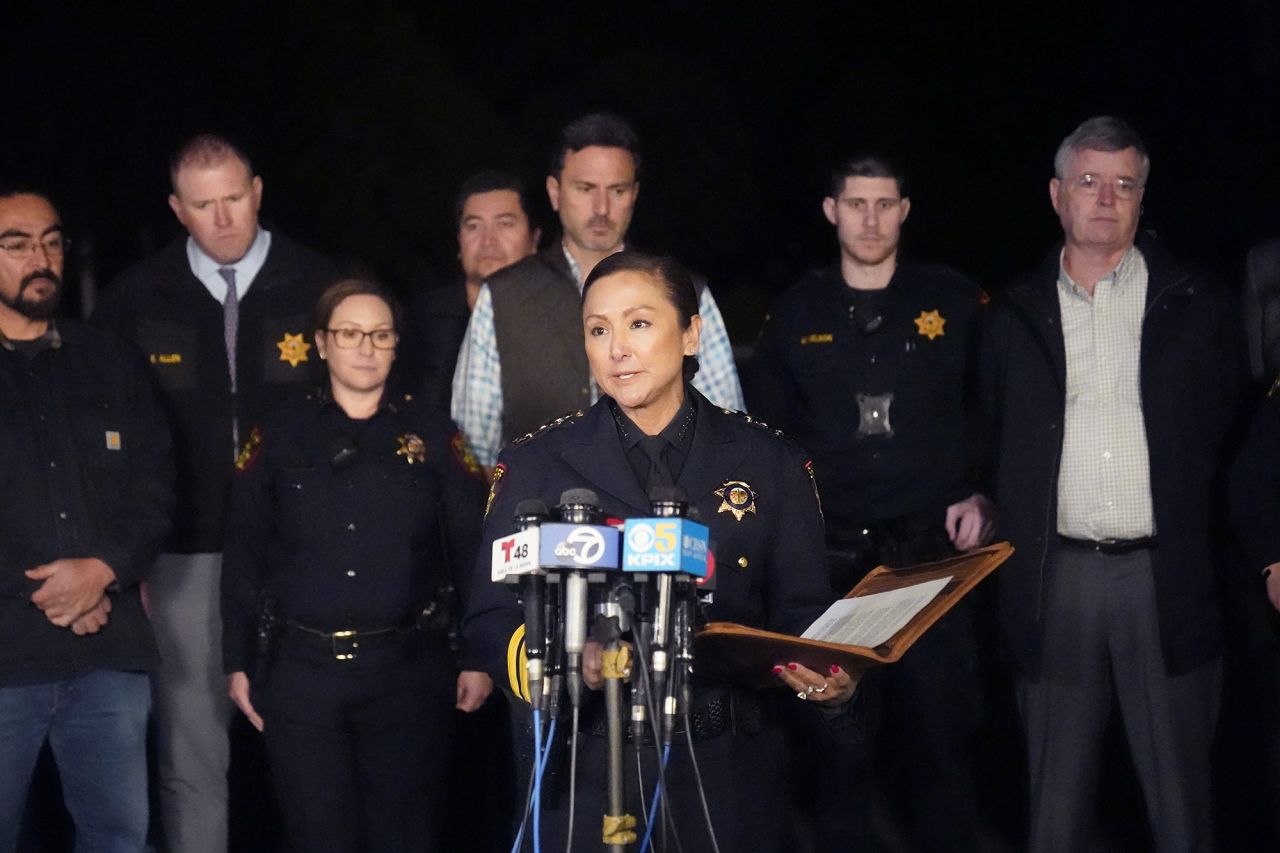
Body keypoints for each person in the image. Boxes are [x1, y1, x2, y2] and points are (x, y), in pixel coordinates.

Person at [464, 251, 859, 853]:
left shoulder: (770, 463)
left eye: (639, 323)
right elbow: (491, 620)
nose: (617, 348)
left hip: (729, 777)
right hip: (584, 774)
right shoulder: (533, 466)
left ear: (691, 332)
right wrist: (570, 664)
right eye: (599, 330)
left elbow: (802, 617)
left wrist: (832, 681)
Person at [981, 116, 1245, 852]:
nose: (1107, 198)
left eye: (1125, 184)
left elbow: (1237, 433)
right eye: (1090, 182)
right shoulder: (1014, 314)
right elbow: (988, 434)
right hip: (1053, 575)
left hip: (1165, 577)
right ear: (1058, 194)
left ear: (1141, 198)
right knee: (1054, 813)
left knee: (1183, 808)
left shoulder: (1197, 303)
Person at [92, 133, 340, 852]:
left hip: (305, 554)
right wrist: (128, 557)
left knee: (313, 749)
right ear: (177, 209)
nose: (224, 218)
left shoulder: (320, 285)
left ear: (258, 191)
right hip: (182, 556)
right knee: (192, 753)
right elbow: (110, 442)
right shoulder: (136, 299)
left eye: (234, 198)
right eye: (204, 205)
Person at [746, 154, 993, 850]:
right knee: (838, 750)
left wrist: (981, 487)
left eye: (885, 203)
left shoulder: (954, 301)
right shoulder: (795, 313)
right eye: (856, 203)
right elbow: (770, 438)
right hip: (835, 563)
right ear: (831, 211)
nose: (871, 218)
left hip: (932, 562)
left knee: (942, 745)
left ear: (905, 210)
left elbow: (992, 407)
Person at [221, 279, 493, 852]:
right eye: (349, 334)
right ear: (321, 343)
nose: (365, 347)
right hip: (302, 672)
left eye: (380, 334)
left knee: (405, 836)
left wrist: (478, 655)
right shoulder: (277, 433)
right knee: (319, 835)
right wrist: (238, 660)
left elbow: (471, 548)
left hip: (407, 669)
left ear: (397, 345)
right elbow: (244, 550)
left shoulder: (434, 435)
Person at [0, 188, 173, 851]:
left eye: (51, 240)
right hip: (7, 655)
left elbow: (155, 486)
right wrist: (59, 591)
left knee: (119, 838)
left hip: (107, 657)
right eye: (17, 243)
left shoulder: (112, 359)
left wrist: (101, 570)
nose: (39, 257)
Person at [452, 112, 744, 469]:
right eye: (586, 189)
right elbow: (472, 442)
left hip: (666, 514)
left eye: (617, 190)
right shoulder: (504, 295)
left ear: (634, 194)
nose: (602, 208)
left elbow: (726, 424)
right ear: (555, 192)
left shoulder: (683, 289)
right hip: (539, 513)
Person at [399, 169, 541, 408]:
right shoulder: (422, 320)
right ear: (459, 241)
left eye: (505, 224)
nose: (488, 241)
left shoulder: (560, 316)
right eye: (474, 226)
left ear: (534, 240)